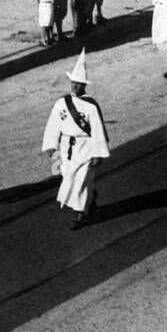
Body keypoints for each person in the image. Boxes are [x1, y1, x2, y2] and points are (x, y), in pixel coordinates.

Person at [42, 50, 109, 230]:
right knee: (69, 177)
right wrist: (51, 144)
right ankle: (90, 196)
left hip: (85, 147)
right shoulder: (61, 103)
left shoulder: (91, 106)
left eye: (78, 84)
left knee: (80, 181)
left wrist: (98, 153)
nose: (74, 87)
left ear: (84, 85)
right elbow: (53, 125)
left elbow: (97, 130)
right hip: (66, 148)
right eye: (73, 83)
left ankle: (79, 215)